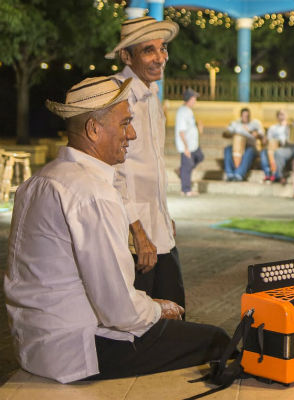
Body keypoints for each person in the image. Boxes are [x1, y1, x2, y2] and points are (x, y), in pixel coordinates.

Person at [4, 77, 229, 383]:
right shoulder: (92, 191)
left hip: (34, 344)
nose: (132, 134)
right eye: (125, 124)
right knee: (217, 341)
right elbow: (119, 310)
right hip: (77, 351)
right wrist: (157, 309)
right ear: (93, 129)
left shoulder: (38, 181)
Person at [107, 16, 186, 312]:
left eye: (162, 49)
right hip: (133, 238)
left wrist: (165, 215)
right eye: (148, 50)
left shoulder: (151, 94)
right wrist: (138, 232)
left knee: (175, 314)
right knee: (144, 326)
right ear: (126, 56)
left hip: (159, 231)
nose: (160, 58)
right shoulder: (117, 96)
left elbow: (151, 166)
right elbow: (112, 173)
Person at [224, 108, 269, 181]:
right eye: (244, 116)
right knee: (227, 149)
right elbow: (226, 133)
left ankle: (239, 174)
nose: (245, 117)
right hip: (237, 146)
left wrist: (254, 134)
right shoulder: (236, 123)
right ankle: (229, 173)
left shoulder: (255, 124)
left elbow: (262, 136)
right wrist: (232, 133)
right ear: (241, 116)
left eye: (247, 116)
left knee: (249, 151)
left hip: (251, 147)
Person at [175, 88, 204, 196]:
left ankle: (181, 171)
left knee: (200, 156)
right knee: (187, 166)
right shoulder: (182, 112)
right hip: (186, 145)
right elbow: (181, 131)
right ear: (189, 99)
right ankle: (186, 190)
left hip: (193, 145)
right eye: (194, 98)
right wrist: (186, 148)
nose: (195, 100)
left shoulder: (188, 110)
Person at [265, 110, 290, 182]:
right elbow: (269, 139)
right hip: (273, 147)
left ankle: (276, 174)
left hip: (284, 147)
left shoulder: (289, 127)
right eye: (280, 115)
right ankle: (268, 174)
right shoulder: (273, 128)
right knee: (264, 152)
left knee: (278, 152)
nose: (282, 116)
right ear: (277, 117)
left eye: (283, 114)